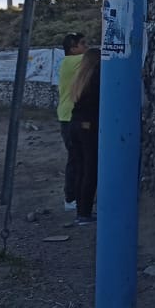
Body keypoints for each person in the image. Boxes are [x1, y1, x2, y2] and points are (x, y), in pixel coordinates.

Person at [69, 48, 102, 227]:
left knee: (81, 168)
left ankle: (81, 211)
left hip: (75, 125)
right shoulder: (96, 76)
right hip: (88, 127)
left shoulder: (80, 78)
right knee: (90, 169)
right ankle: (85, 213)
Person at [58, 33, 88, 211]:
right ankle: (71, 198)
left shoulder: (72, 63)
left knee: (79, 158)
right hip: (70, 117)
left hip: (68, 116)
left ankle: (76, 195)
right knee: (76, 159)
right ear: (72, 48)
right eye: (82, 44)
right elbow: (98, 57)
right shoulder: (73, 61)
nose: (86, 46)